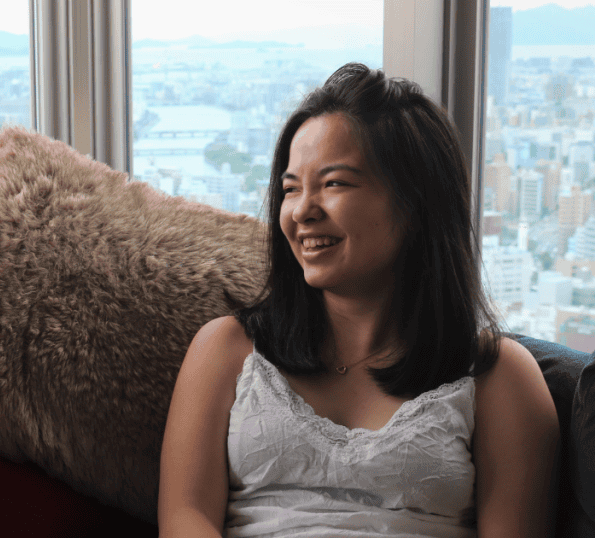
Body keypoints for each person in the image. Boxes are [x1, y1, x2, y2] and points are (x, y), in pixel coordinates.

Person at [158, 63, 559, 537]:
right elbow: (186, 518)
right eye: (290, 189)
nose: (302, 211)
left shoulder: (499, 377)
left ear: (415, 204)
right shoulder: (225, 350)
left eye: (334, 183)